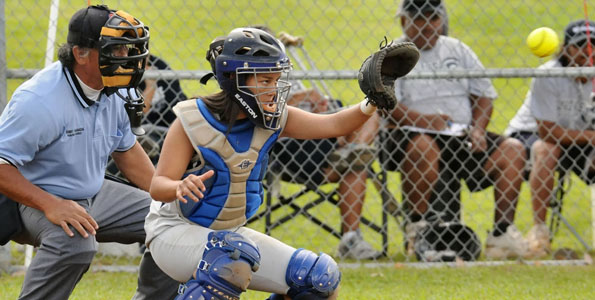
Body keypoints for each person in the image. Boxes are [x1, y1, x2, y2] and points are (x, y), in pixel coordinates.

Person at [144, 27, 388, 300]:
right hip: (175, 231)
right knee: (230, 259)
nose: (274, 90)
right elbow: (158, 186)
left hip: (228, 236)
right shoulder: (192, 120)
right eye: (265, 81)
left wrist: (372, 101)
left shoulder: (273, 119)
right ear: (235, 80)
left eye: (275, 80)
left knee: (318, 279)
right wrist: (179, 185)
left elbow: (335, 124)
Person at [0, 5, 178, 299]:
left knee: (171, 218)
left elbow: (127, 149)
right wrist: (51, 204)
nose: (126, 59)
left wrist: (164, 191)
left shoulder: (118, 87)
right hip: (36, 196)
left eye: (129, 49)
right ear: (81, 53)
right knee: (76, 242)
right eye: (117, 50)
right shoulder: (39, 100)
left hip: (93, 191)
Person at [383, 0, 528, 259]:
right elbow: (386, 105)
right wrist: (424, 121)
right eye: (419, 19)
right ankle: (417, 229)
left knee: (513, 150)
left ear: (441, 19)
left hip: (460, 135)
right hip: (410, 135)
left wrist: (479, 130)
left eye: (433, 18)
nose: (428, 25)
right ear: (404, 21)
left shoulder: (457, 49)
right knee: (423, 145)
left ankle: (501, 234)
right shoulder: (395, 53)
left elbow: (483, 96)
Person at [252, 27, 383, 260]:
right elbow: (260, 119)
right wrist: (301, 99)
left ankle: (352, 150)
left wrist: (322, 104)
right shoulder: (244, 85)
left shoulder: (284, 76)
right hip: (293, 151)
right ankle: (349, 153)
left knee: (371, 115)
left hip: (329, 140)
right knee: (354, 166)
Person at [514, 20, 595, 258]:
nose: (588, 53)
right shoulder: (549, 75)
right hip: (531, 134)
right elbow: (548, 132)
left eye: (593, 46)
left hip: (579, 138)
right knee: (546, 149)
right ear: (567, 48)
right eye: (581, 46)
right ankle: (539, 233)